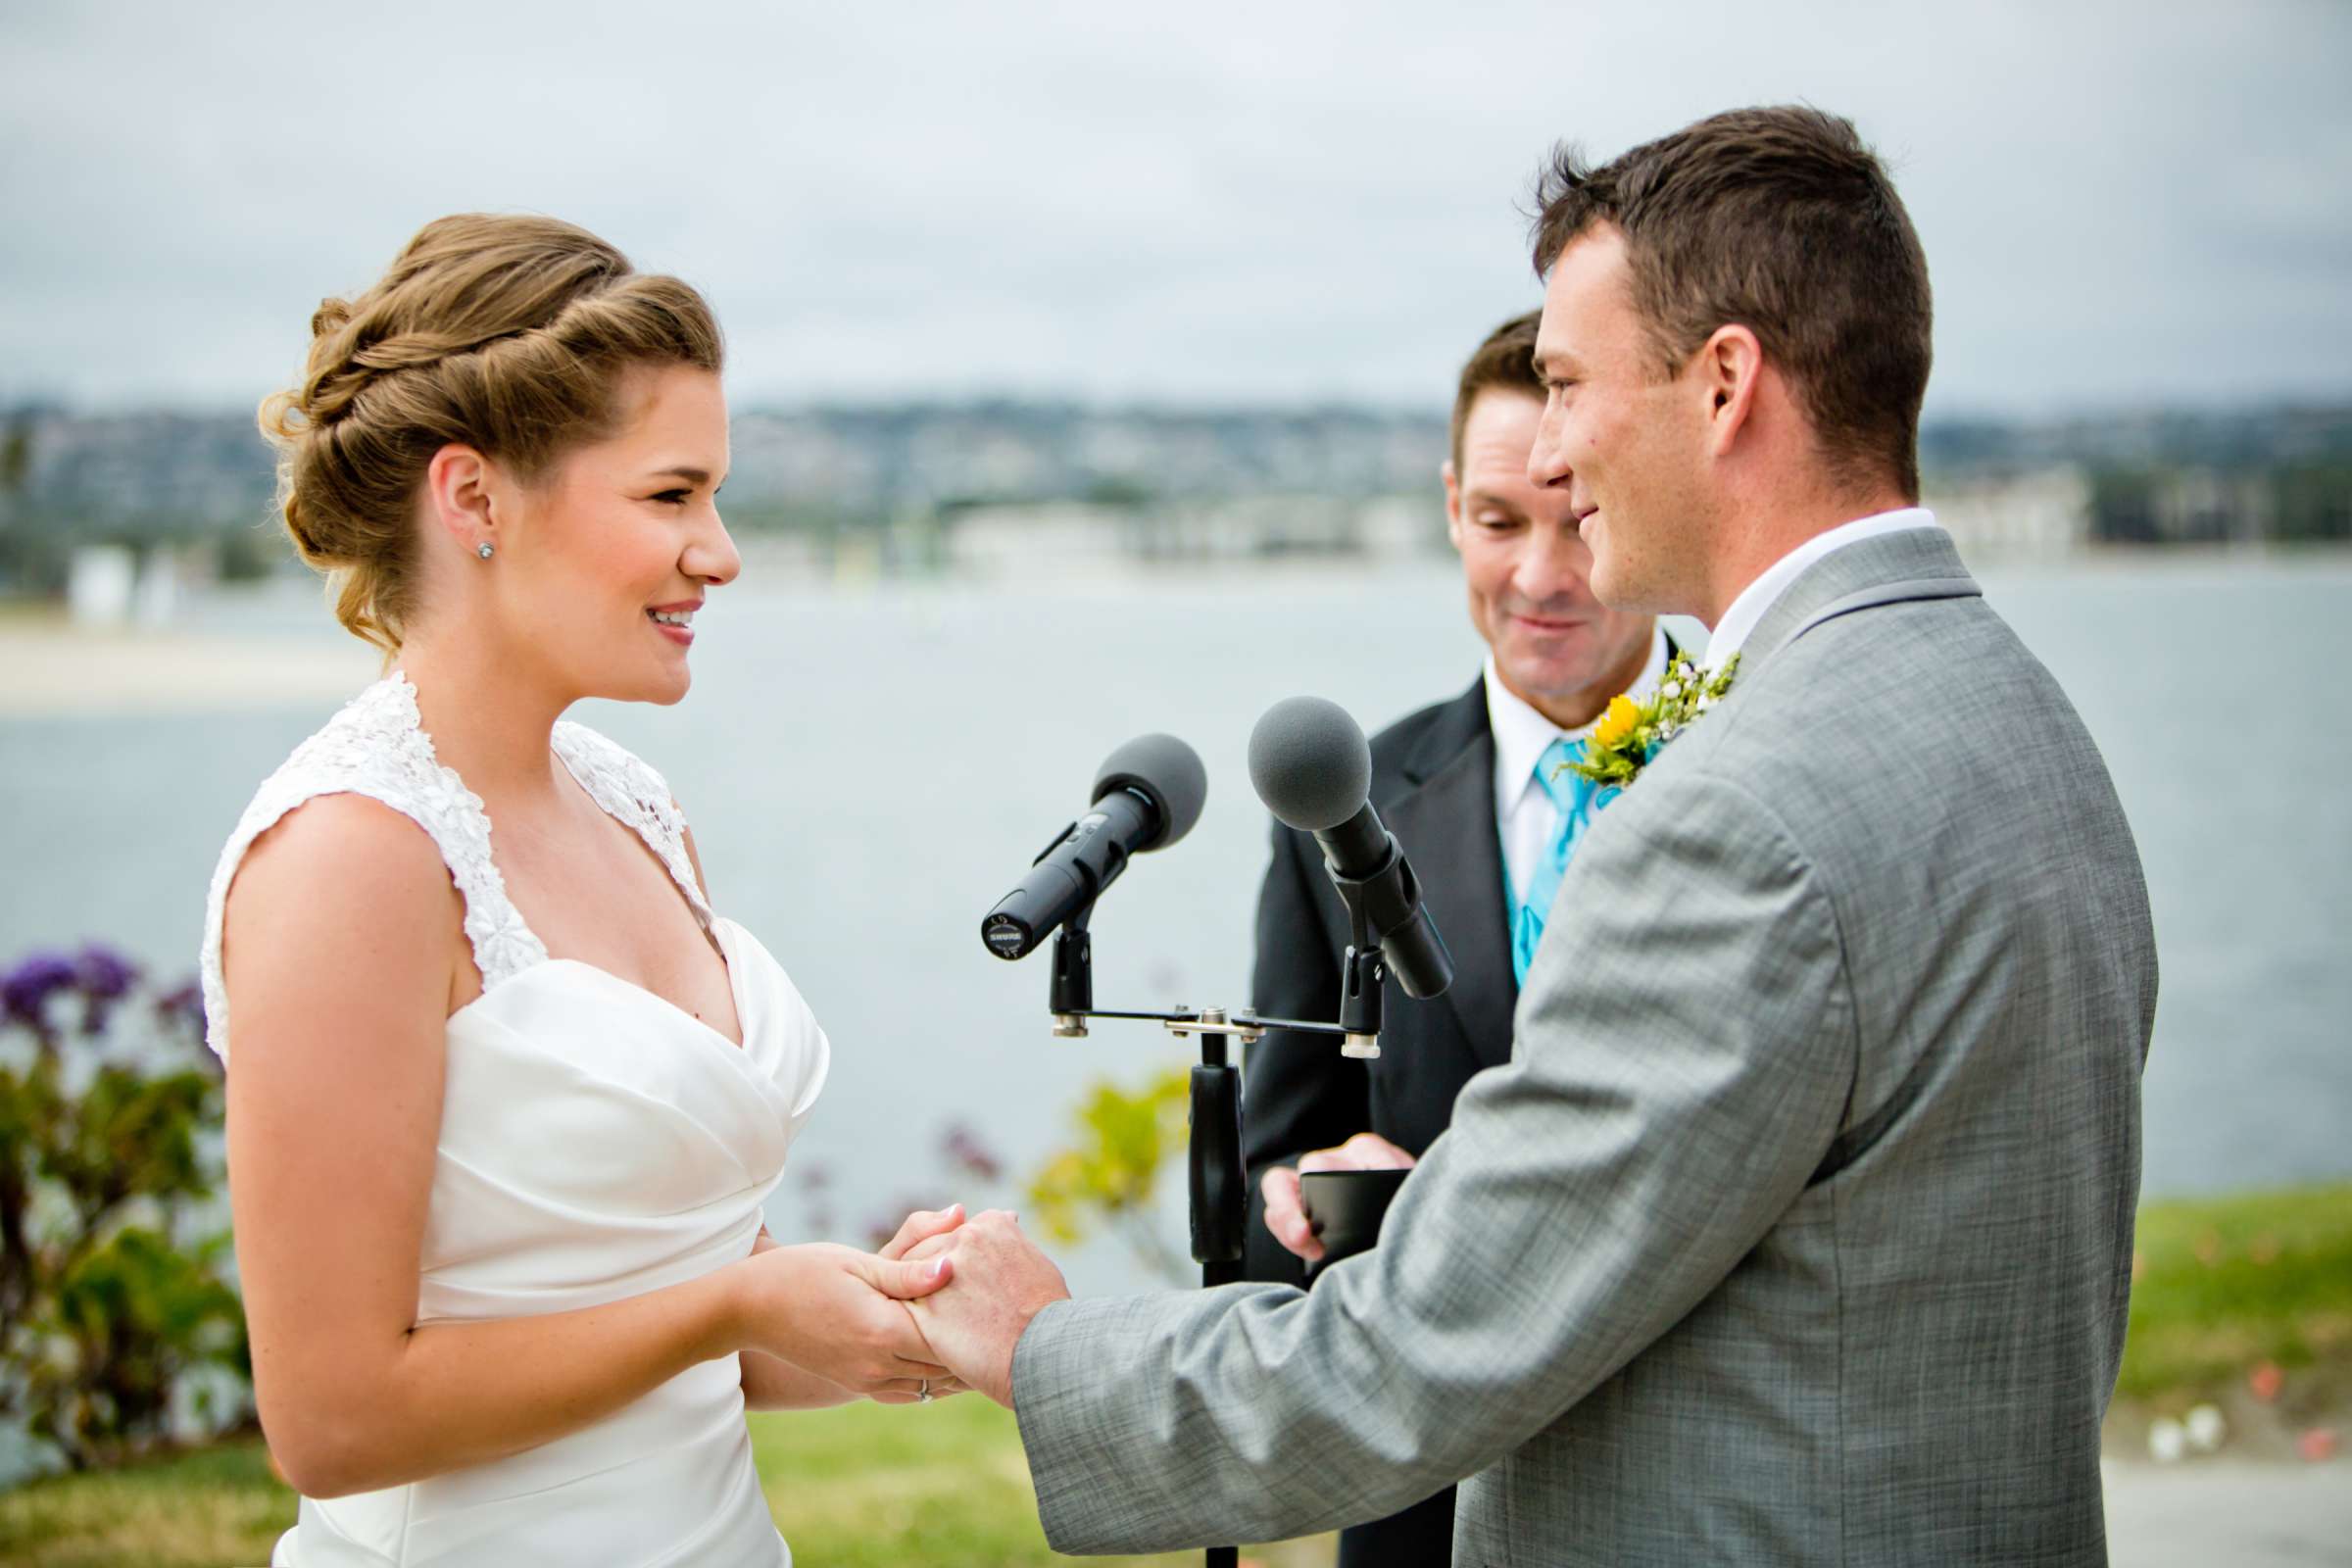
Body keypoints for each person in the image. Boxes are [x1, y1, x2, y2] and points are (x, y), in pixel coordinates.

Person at [907, 106, 2158, 1565]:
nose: (1557, 447)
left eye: (1568, 384)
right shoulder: (2025, 716)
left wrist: (1044, 1348)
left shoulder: (1741, 818)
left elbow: (1422, 1351)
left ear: (1725, 385)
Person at [203, 214, 967, 1567]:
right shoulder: (348, 860)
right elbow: (330, 1421)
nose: (720, 552)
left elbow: (689, 1348)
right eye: (672, 497)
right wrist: (735, 1302)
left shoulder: (634, 805)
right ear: (475, 498)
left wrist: (890, 1319)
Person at [1240, 309, 1665, 1565]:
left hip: (1705, 1472)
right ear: (1447, 507)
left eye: (1576, 514)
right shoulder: (1343, 801)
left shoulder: (1765, 755)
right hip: (1428, 1506)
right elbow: (1272, 1166)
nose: (1540, 574)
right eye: (1497, 519)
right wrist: (1319, 1207)